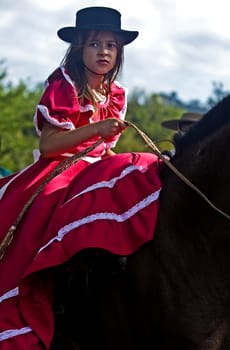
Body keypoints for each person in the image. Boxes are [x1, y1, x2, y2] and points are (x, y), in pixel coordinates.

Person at [0, 7, 162, 350]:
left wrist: (114, 160)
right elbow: (49, 146)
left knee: (143, 168)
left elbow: (104, 151)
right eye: (95, 44)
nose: (104, 51)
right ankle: (33, 282)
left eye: (111, 45)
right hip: (60, 164)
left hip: (94, 165)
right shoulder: (64, 85)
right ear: (78, 47)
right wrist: (97, 128)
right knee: (46, 204)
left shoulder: (116, 93)